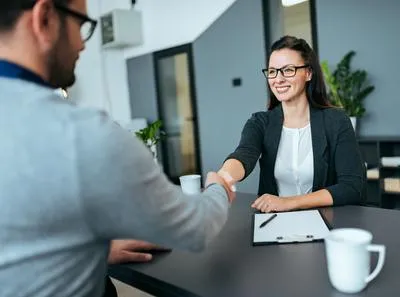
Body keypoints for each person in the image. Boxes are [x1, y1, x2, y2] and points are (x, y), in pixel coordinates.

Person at [0, 1, 235, 297]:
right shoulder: (83, 136)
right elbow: (196, 227)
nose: (83, 46)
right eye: (81, 25)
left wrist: (94, 247)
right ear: (44, 18)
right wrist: (217, 188)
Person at [217, 35, 365, 213]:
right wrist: (222, 179)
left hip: (326, 222)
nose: (278, 79)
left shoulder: (336, 121)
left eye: (288, 70)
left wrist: (289, 202)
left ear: (308, 73)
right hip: (273, 223)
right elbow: (243, 155)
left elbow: (352, 187)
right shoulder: (259, 123)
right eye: (272, 71)